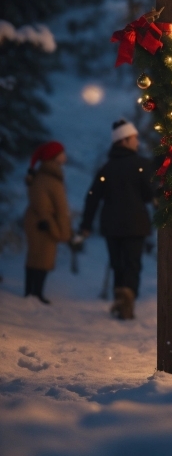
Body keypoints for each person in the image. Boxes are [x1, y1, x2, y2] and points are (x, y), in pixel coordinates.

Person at [80, 120, 153, 320]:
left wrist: (86, 225)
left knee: (117, 263)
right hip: (136, 224)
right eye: (135, 138)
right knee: (132, 264)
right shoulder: (141, 165)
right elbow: (149, 194)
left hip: (111, 225)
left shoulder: (106, 168)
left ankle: (121, 299)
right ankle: (127, 300)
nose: (137, 142)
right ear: (125, 139)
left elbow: (92, 197)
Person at [24, 141, 72, 303]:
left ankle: (33, 292)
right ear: (54, 157)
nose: (65, 156)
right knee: (41, 259)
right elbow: (57, 208)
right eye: (61, 153)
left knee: (39, 258)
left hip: (41, 223)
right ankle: (34, 294)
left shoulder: (45, 176)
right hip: (43, 225)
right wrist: (61, 231)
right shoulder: (49, 179)